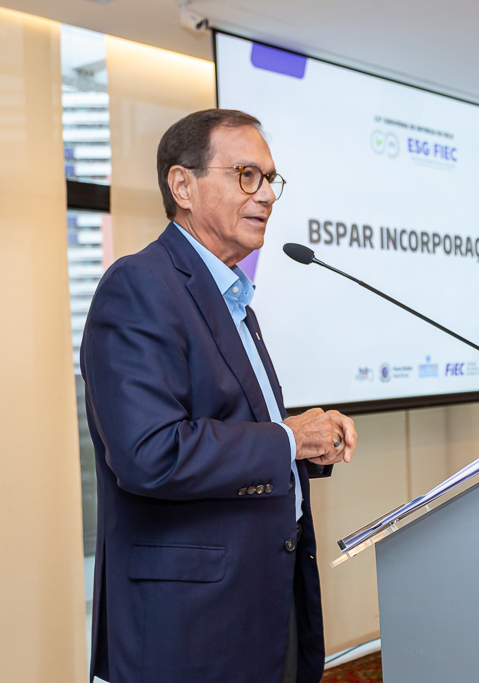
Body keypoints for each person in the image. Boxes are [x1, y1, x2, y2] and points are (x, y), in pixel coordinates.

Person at [81, 108, 357, 683]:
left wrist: (307, 443)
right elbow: (150, 453)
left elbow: (235, 424)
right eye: (246, 175)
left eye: (270, 179)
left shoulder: (232, 298)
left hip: (264, 598)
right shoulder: (140, 286)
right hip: (191, 627)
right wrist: (287, 440)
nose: (267, 196)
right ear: (182, 186)